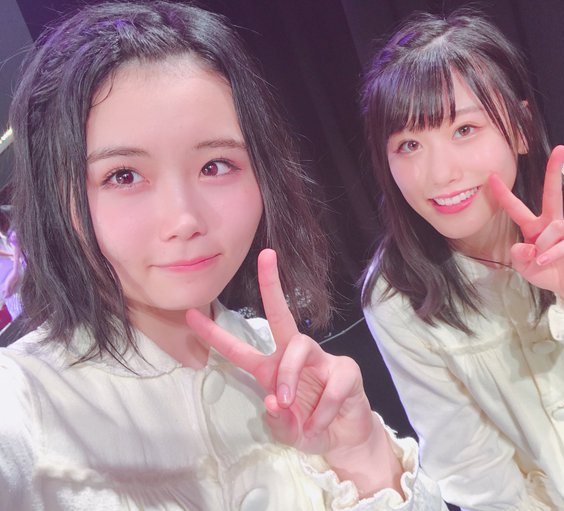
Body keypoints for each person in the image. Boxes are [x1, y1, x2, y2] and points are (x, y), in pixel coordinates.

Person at [0, 2, 446, 510]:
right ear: (57, 199)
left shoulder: (285, 365)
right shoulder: (23, 404)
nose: (185, 218)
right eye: (123, 176)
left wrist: (362, 456)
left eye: (215, 165)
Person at [360, 9, 564, 511]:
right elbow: (474, 476)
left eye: (465, 129)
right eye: (409, 144)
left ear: (521, 128)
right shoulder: (396, 294)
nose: (439, 173)